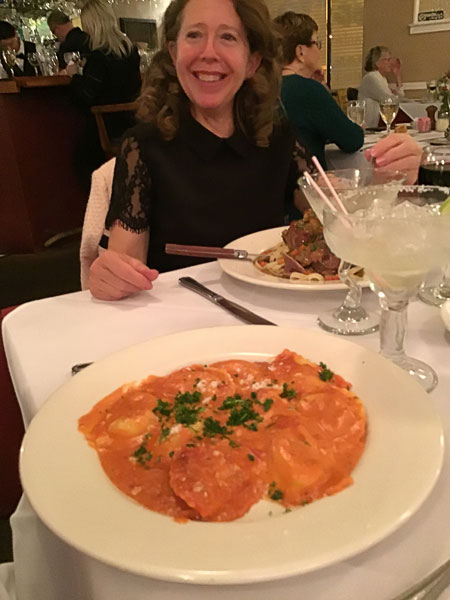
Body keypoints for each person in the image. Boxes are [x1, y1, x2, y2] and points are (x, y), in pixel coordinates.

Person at [88, 0, 423, 302]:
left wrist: (389, 183)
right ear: (174, 53)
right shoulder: (142, 147)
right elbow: (123, 267)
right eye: (194, 35)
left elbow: (337, 216)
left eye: (227, 37)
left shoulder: (278, 137)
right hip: (181, 321)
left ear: (252, 61)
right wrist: (110, 277)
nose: (208, 52)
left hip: (272, 314)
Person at [273, 11, 364, 170]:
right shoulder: (308, 90)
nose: (319, 50)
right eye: (316, 43)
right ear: (300, 51)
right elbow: (352, 140)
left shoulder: (267, 88)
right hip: (307, 181)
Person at [64, 0, 141, 186]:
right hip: (132, 121)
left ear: (92, 25)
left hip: (107, 125)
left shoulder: (99, 56)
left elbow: (86, 96)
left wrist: (74, 76)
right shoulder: (130, 51)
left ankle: (103, 199)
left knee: (81, 159)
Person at [358, 46, 404, 128]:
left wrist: (397, 75)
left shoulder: (382, 78)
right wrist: (394, 95)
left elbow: (400, 97)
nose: (390, 63)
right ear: (377, 63)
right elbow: (389, 100)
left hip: (379, 120)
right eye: (387, 60)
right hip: (370, 124)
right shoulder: (372, 77)